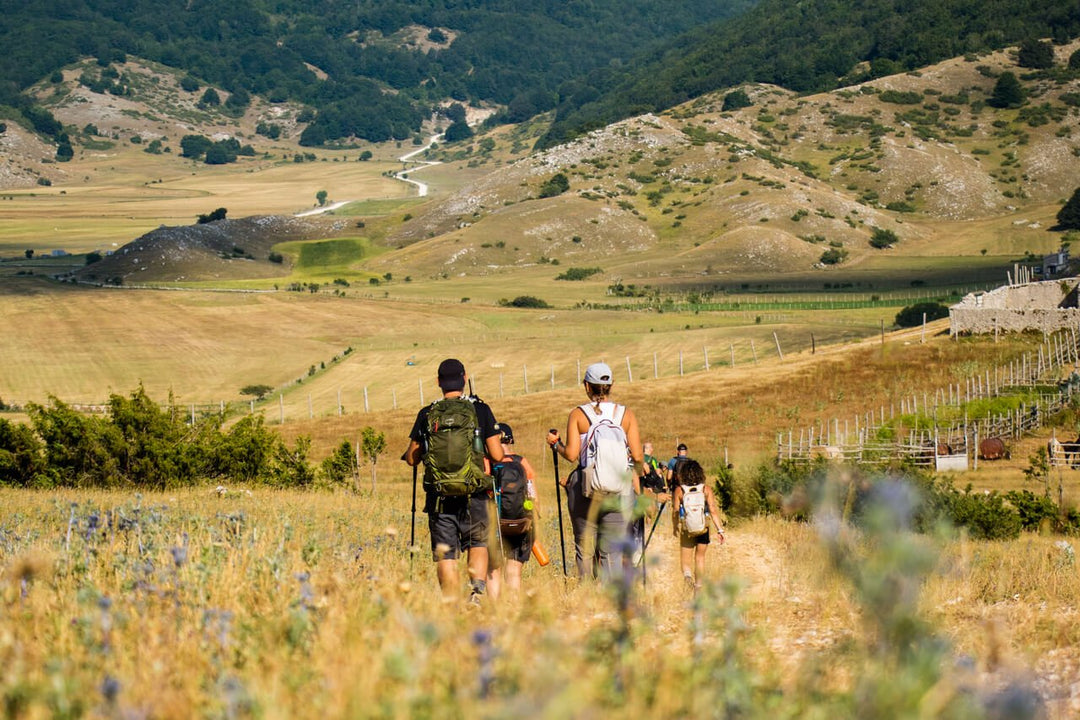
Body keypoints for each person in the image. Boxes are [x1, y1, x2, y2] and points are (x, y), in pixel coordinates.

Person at [403, 358, 504, 604]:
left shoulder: (427, 413)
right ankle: (476, 594)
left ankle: (450, 603)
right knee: (477, 542)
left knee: (446, 554)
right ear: (465, 378)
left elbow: (412, 458)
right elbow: (498, 454)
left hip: (439, 497)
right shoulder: (480, 410)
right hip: (475, 493)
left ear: (438, 382)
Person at [547, 362, 644, 579]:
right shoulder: (625, 415)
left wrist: (555, 444)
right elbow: (637, 456)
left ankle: (586, 596)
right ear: (611, 385)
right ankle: (609, 602)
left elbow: (572, 455)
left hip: (586, 488)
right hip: (618, 490)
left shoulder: (578, 414)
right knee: (611, 552)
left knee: (584, 547)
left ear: (586, 386)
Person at [487, 423, 539, 600]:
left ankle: (494, 609)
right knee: (514, 569)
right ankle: (513, 607)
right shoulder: (521, 462)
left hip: (494, 523)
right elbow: (532, 495)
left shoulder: (488, 462)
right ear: (510, 440)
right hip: (520, 523)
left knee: (493, 569)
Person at [671, 459, 724, 591]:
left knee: (685, 560)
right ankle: (698, 587)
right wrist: (720, 530)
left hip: (686, 529)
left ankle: (688, 578)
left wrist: (675, 527)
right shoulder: (706, 489)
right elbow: (713, 510)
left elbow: (675, 512)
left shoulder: (679, 490)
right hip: (703, 529)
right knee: (700, 558)